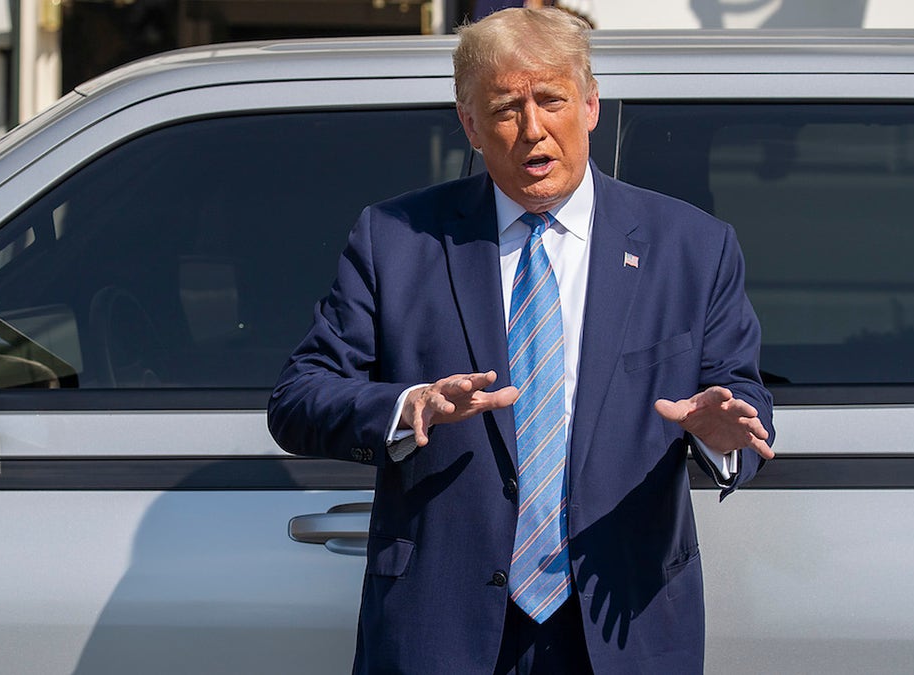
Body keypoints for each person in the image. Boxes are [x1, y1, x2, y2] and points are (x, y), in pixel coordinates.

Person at [268, 7, 774, 674]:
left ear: (590, 103)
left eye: (551, 99)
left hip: (620, 627)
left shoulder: (691, 246)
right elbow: (299, 398)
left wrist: (720, 430)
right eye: (506, 107)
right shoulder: (396, 240)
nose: (532, 128)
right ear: (471, 125)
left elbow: (743, 399)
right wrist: (405, 405)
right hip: (441, 630)